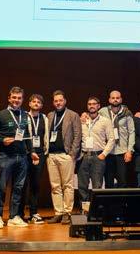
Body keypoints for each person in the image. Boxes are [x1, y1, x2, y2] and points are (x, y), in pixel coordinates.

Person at [0, 87, 39, 229]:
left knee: (18, 188)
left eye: (19, 98)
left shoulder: (25, 115)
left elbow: (27, 135)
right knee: (1, 187)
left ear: (22, 100)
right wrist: (2, 140)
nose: (16, 100)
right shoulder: (1, 115)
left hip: (22, 157)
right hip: (6, 157)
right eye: (14, 97)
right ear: (9, 98)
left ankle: (13, 217)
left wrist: (32, 151)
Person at [46, 90, 81, 225]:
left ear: (65, 101)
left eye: (60, 100)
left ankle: (67, 213)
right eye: (56, 101)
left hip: (66, 155)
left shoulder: (73, 115)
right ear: (53, 102)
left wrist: (72, 154)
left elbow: (77, 136)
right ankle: (58, 213)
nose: (58, 103)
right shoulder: (50, 115)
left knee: (67, 185)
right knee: (55, 186)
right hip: (51, 155)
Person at [77, 97, 115, 212]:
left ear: (98, 106)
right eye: (89, 104)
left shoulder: (105, 121)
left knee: (97, 186)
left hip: (98, 156)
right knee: (82, 186)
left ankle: (96, 211)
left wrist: (104, 154)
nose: (91, 106)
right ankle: (84, 210)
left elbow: (111, 139)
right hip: (83, 156)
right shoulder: (82, 120)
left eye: (94, 104)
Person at [98, 90, 135, 188]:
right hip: (107, 152)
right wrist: (84, 115)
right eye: (113, 98)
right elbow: (92, 118)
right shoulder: (102, 112)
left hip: (122, 152)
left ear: (121, 99)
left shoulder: (127, 113)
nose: (115, 100)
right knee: (108, 181)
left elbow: (131, 132)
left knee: (122, 181)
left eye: (117, 98)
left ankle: (122, 198)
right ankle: (109, 199)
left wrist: (129, 151)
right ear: (109, 99)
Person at [22, 94, 48, 224]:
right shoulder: (24, 117)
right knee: (23, 184)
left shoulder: (44, 118)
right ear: (29, 103)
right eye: (34, 101)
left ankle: (33, 213)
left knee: (35, 184)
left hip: (40, 154)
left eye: (39, 102)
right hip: (26, 154)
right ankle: (19, 213)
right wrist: (29, 151)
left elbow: (46, 135)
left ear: (41, 105)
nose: (36, 103)